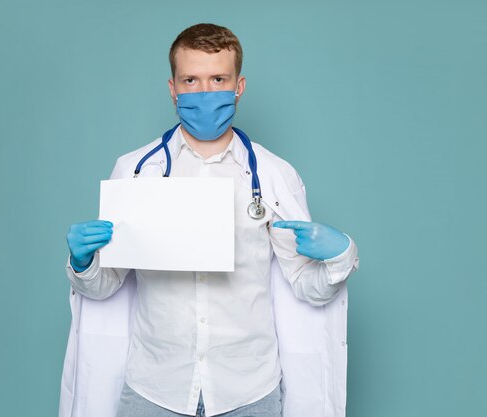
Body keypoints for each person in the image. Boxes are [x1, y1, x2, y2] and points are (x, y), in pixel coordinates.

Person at [60, 23, 359, 417]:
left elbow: (308, 288)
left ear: (239, 86)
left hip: (248, 390)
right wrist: (83, 265)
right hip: (155, 388)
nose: (205, 92)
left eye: (218, 79)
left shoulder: (273, 176)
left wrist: (341, 256)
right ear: (173, 88)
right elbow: (104, 288)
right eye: (191, 80)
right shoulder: (134, 170)